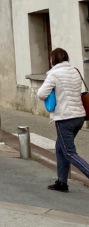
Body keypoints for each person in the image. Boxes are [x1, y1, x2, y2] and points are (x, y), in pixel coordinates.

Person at [37, 48, 89, 192]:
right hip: (79, 116)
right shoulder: (75, 71)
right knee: (60, 148)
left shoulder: (53, 73)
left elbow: (41, 94)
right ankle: (62, 182)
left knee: (69, 152)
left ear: (53, 59)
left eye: (50, 58)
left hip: (65, 118)